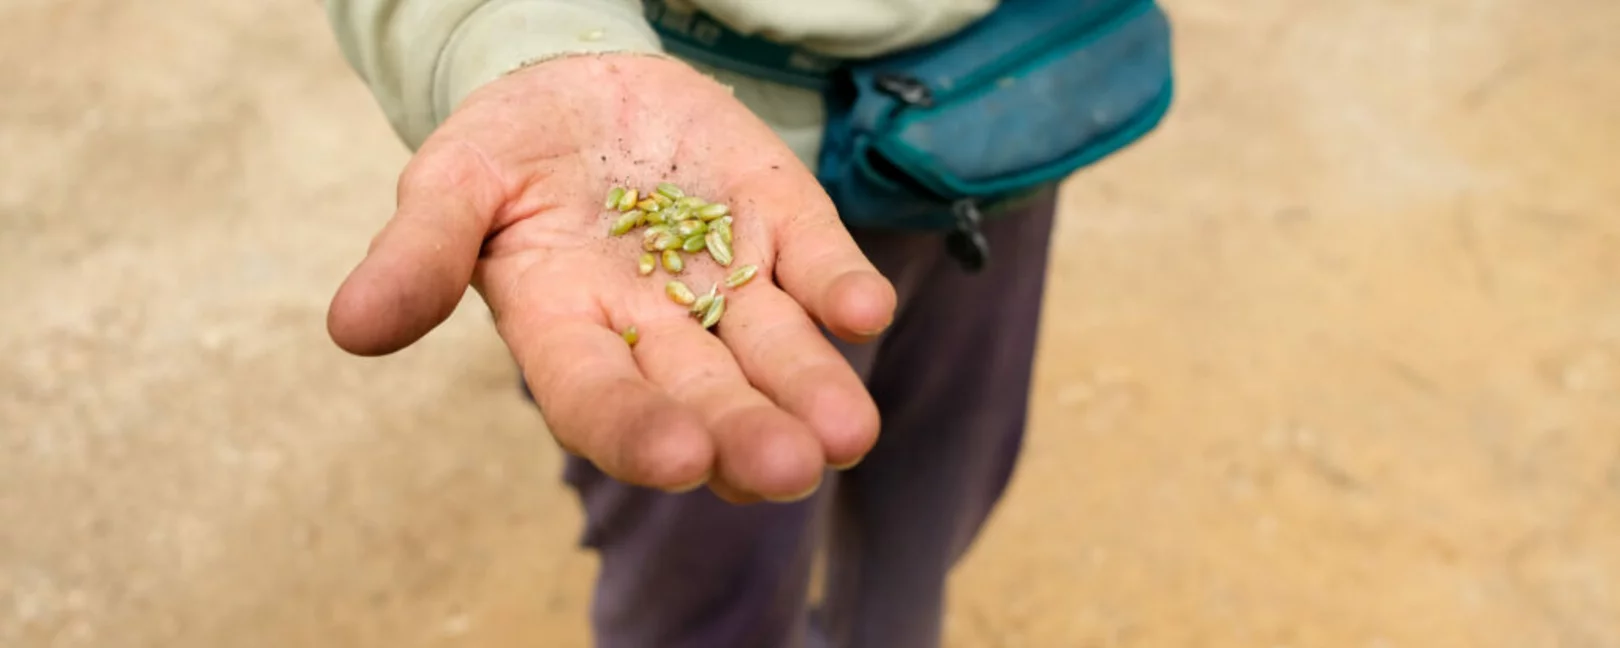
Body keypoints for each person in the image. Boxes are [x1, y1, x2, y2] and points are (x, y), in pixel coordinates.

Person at [322, 1, 1171, 646]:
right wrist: (520, 37)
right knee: (709, 575)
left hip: (997, 114)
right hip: (678, 100)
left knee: (935, 502)